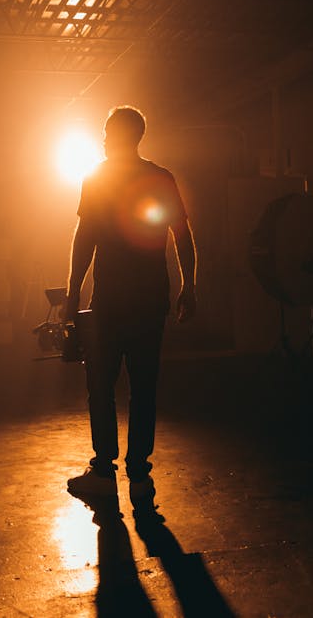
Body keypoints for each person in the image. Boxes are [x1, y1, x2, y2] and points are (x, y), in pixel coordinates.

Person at [63, 105, 197, 498]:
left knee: (101, 386)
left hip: (110, 303)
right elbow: (181, 235)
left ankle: (104, 470)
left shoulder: (98, 179)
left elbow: (84, 238)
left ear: (119, 136)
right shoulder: (159, 177)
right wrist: (190, 286)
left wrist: (73, 292)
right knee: (144, 388)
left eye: (107, 133)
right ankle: (138, 470)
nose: (104, 140)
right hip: (150, 300)